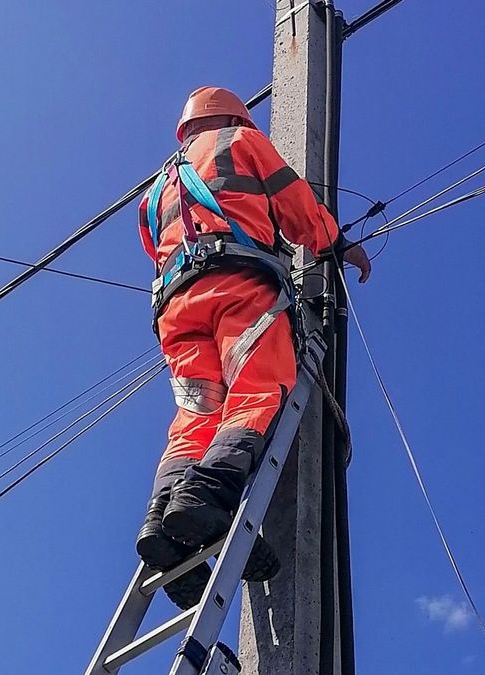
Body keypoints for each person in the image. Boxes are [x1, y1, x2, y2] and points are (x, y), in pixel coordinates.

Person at [135, 86, 371, 608]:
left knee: (195, 418)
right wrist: (338, 245)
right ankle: (209, 495)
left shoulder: (154, 190)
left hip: (175, 309)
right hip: (237, 287)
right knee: (258, 389)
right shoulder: (241, 141)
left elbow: (155, 249)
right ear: (235, 115)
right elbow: (295, 204)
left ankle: (165, 520)